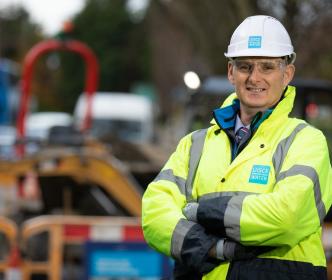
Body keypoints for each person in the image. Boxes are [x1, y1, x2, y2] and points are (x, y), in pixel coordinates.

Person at [142, 15, 332, 279]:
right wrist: (213, 248)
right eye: (245, 67)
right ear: (231, 72)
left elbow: (287, 217)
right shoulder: (194, 144)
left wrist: (200, 212)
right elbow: (154, 215)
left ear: (287, 74)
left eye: (267, 67)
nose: (255, 78)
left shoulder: (305, 141)